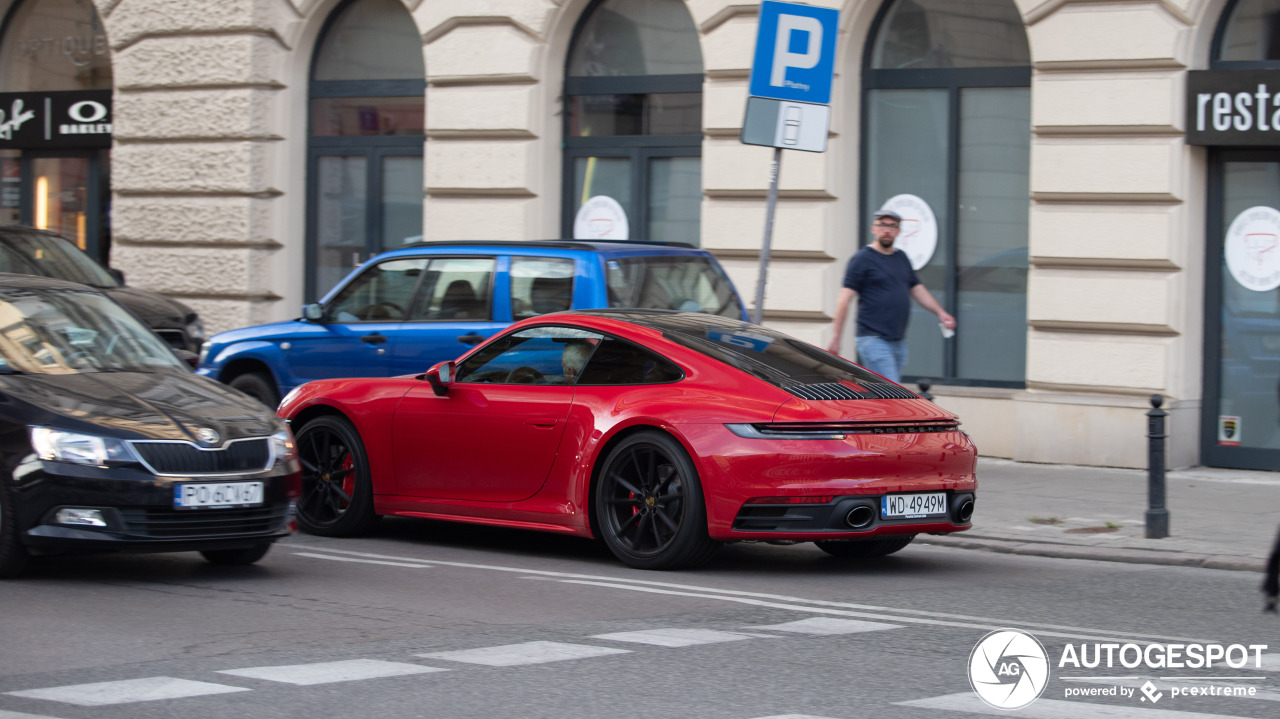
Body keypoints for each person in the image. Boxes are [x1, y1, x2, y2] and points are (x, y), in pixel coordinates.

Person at [826, 208, 956, 383]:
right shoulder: (862, 259)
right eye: (882, 225)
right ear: (874, 229)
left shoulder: (901, 258)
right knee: (893, 392)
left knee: (886, 396)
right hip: (873, 340)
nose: (887, 230)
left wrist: (941, 313)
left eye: (892, 226)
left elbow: (917, 289)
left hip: (898, 341)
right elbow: (844, 299)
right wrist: (836, 337)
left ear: (899, 231)